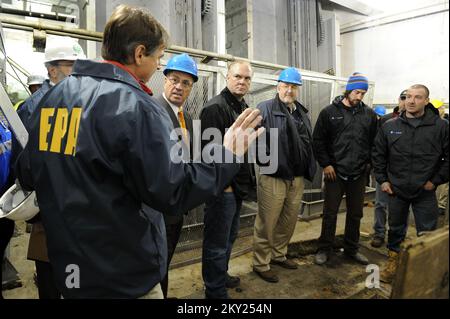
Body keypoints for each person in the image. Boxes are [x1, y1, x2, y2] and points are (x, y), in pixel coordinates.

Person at [14, 5, 263, 299]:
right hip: (121, 272)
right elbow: (173, 190)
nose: (158, 66)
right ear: (139, 53)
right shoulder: (135, 107)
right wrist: (226, 154)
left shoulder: (55, 97)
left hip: (70, 267)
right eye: (158, 58)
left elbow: (27, 172)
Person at [10, 37, 87, 299]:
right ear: (52, 70)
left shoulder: (80, 100)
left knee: (74, 275)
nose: (76, 73)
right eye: (70, 66)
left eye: (79, 66)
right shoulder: (34, 107)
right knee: (50, 274)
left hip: (77, 205)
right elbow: (23, 165)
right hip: (48, 209)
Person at [373, 84, 449, 283]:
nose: (411, 101)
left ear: (426, 101)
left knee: (427, 231)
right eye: (408, 97)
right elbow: (378, 156)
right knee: (396, 228)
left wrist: (435, 181)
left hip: (425, 190)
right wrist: (383, 180)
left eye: (417, 97)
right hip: (396, 190)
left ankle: (426, 269)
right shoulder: (390, 126)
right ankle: (394, 262)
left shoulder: (440, 127)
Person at [252, 67, 315, 283]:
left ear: (297, 89)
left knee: (288, 220)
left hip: (296, 178)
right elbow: (257, 141)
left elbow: (307, 141)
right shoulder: (265, 108)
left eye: (293, 86)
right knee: (267, 222)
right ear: (278, 86)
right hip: (274, 177)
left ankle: (279, 254)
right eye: (286, 85)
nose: (289, 90)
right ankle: (261, 263)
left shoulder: (301, 112)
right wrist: (270, 164)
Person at [200, 61, 255, 299]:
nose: (242, 82)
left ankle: (220, 276)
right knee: (216, 243)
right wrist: (227, 185)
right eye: (237, 77)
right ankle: (214, 292)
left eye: (246, 78)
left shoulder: (241, 106)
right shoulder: (215, 108)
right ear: (227, 78)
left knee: (229, 238)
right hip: (223, 189)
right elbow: (207, 153)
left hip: (237, 187)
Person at [313, 72, 378, 266]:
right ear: (348, 90)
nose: (359, 97)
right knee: (330, 213)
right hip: (335, 173)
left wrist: (368, 164)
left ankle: (351, 249)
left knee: (356, 213)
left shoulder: (369, 115)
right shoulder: (329, 112)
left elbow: (374, 142)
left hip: (358, 173)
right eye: (357, 92)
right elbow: (318, 141)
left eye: (363, 93)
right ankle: (324, 248)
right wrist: (326, 164)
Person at [155, 53, 198, 298]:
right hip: (158, 207)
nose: (179, 86)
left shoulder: (186, 118)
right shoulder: (153, 110)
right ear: (165, 80)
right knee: (157, 263)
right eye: (174, 79)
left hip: (176, 206)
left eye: (186, 83)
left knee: (165, 260)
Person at [371, 90, 408, 248]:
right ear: (398, 100)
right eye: (404, 98)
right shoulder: (385, 121)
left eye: (411, 98)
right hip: (385, 171)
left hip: (405, 174)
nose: (407, 101)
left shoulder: (415, 122)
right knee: (380, 204)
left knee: (402, 206)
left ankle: (399, 235)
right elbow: (377, 146)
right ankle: (379, 233)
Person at [432, 99, 449, 216]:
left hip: (442, 159)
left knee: (444, 184)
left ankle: (441, 204)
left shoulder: (445, 124)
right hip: (434, 160)